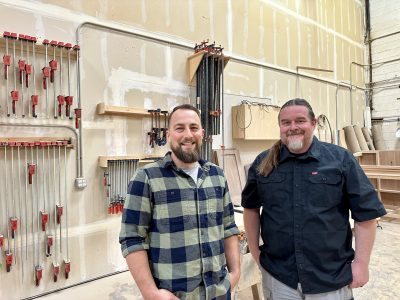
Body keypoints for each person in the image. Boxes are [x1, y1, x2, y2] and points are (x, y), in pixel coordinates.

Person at [242, 98, 386, 300]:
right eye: (286, 122)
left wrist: (361, 264)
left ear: (313, 123)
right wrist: (256, 252)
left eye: (300, 121)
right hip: (280, 277)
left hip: (330, 277)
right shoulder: (264, 162)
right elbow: (250, 209)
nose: (293, 127)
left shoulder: (341, 160)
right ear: (280, 127)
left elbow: (367, 214)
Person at [120, 104, 240, 300]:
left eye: (193, 128)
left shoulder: (217, 175)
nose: (188, 134)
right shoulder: (147, 177)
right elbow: (132, 238)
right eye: (179, 128)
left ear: (202, 133)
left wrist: (235, 274)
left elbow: (229, 228)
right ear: (168, 134)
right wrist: (150, 293)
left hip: (218, 293)